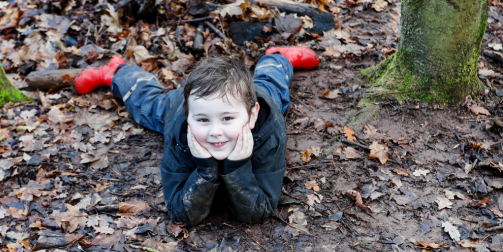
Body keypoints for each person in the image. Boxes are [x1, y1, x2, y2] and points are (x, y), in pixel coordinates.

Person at [74, 47, 319, 225]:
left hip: (254, 98)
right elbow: (181, 213)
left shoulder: (268, 131)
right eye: (202, 120)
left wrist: (238, 165)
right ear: (189, 116)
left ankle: (278, 56)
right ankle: (115, 70)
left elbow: (258, 212)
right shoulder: (181, 129)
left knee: (271, 84)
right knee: (146, 102)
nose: (215, 131)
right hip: (184, 103)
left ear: (252, 116)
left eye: (227, 119)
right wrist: (205, 169)